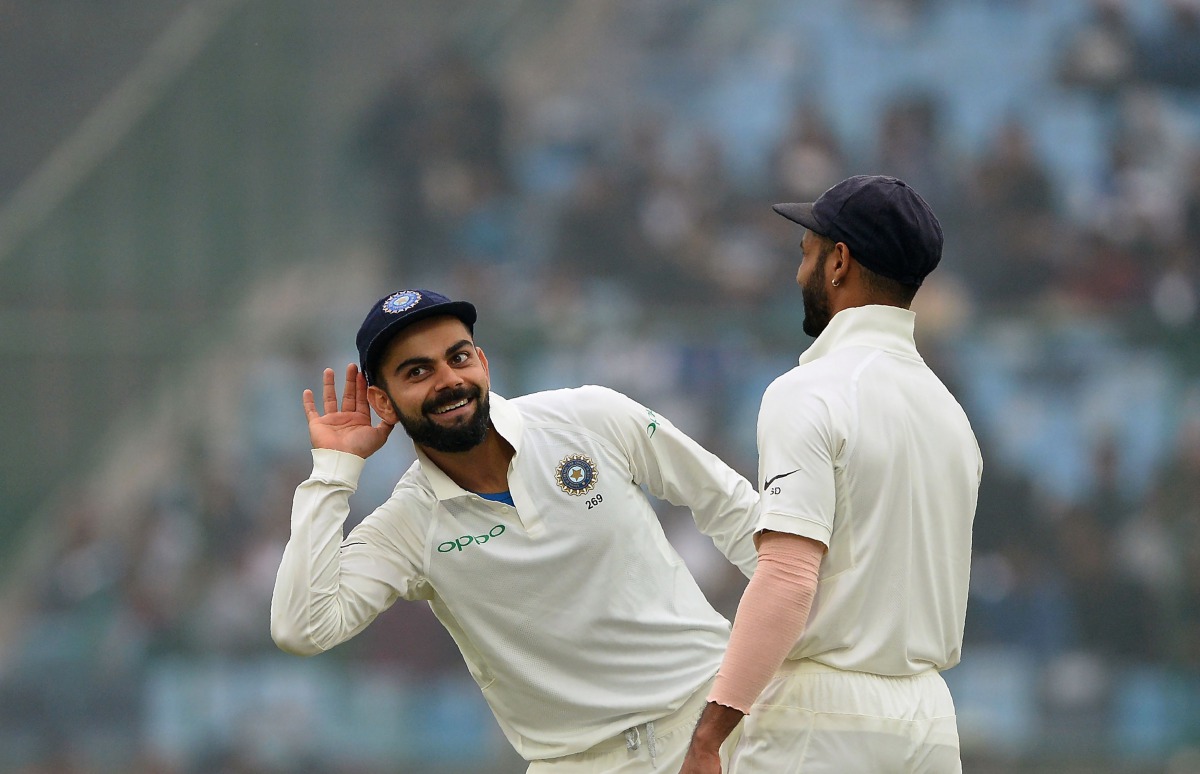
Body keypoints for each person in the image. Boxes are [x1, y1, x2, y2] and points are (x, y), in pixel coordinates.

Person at [270, 288, 761, 772]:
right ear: (383, 401)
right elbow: (303, 627)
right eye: (417, 371)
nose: (447, 380)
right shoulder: (407, 524)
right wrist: (334, 470)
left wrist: (793, 643)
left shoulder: (589, 417)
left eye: (458, 358)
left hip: (725, 720)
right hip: (578, 762)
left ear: (482, 362)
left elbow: (734, 508)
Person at [681, 175, 982, 773]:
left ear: (839, 261)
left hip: (823, 722)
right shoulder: (952, 415)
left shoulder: (809, 393)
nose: (799, 274)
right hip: (930, 723)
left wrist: (710, 733)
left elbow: (789, 578)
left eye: (806, 254)